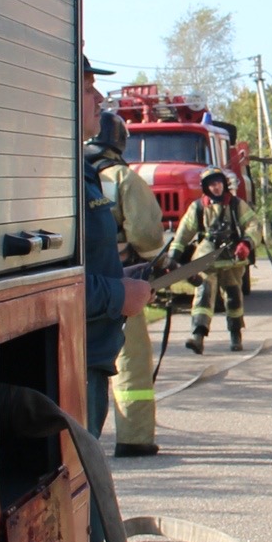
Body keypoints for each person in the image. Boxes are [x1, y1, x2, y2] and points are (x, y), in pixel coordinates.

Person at [72, 57, 155, 542]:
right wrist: (115, 297)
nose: (98, 99)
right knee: (81, 537)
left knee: (89, 531)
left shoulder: (83, 173)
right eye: (87, 85)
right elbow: (48, 283)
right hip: (70, 373)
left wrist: (118, 279)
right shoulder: (59, 179)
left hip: (89, 368)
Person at [95, 109, 169, 458]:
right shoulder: (122, 177)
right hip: (119, 284)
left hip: (71, 287)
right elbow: (146, 235)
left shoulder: (65, 171)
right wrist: (161, 262)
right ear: (119, 140)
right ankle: (134, 438)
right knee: (130, 361)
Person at [171, 169, 251, 353]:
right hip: (206, 256)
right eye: (211, 184)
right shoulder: (198, 207)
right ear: (206, 188)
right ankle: (197, 337)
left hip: (231, 257)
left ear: (224, 184)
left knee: (233, 296)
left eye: (218, 183)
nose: (216, 187)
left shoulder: (237, 205)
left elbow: (253, 225)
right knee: (203, 294)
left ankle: (235, 335)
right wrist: (172, 258)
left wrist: (246, 243)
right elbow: (183, 233)